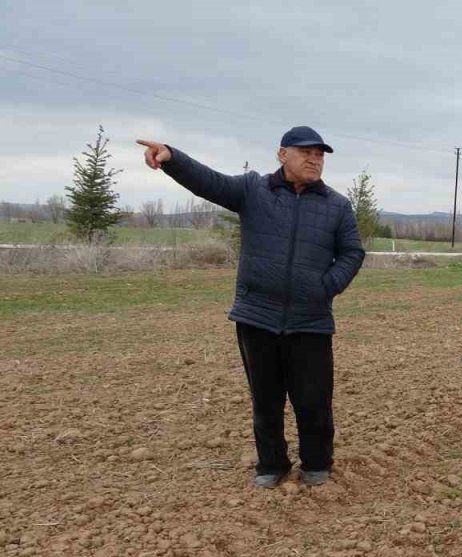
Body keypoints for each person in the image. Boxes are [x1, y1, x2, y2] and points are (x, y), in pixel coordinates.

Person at [136, 127, 365, 489]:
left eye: (320, 155)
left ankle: (317, 463)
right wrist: (172, 158)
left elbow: (353, 252)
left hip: (311, 320)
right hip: (257, 315)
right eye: (306, 152)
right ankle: (271, 464)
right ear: (282, 154)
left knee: (313, 400)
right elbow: (209, 182)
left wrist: (325, 287)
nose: (314, 160)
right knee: (266, 399)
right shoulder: (253, 190)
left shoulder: (336, 205)